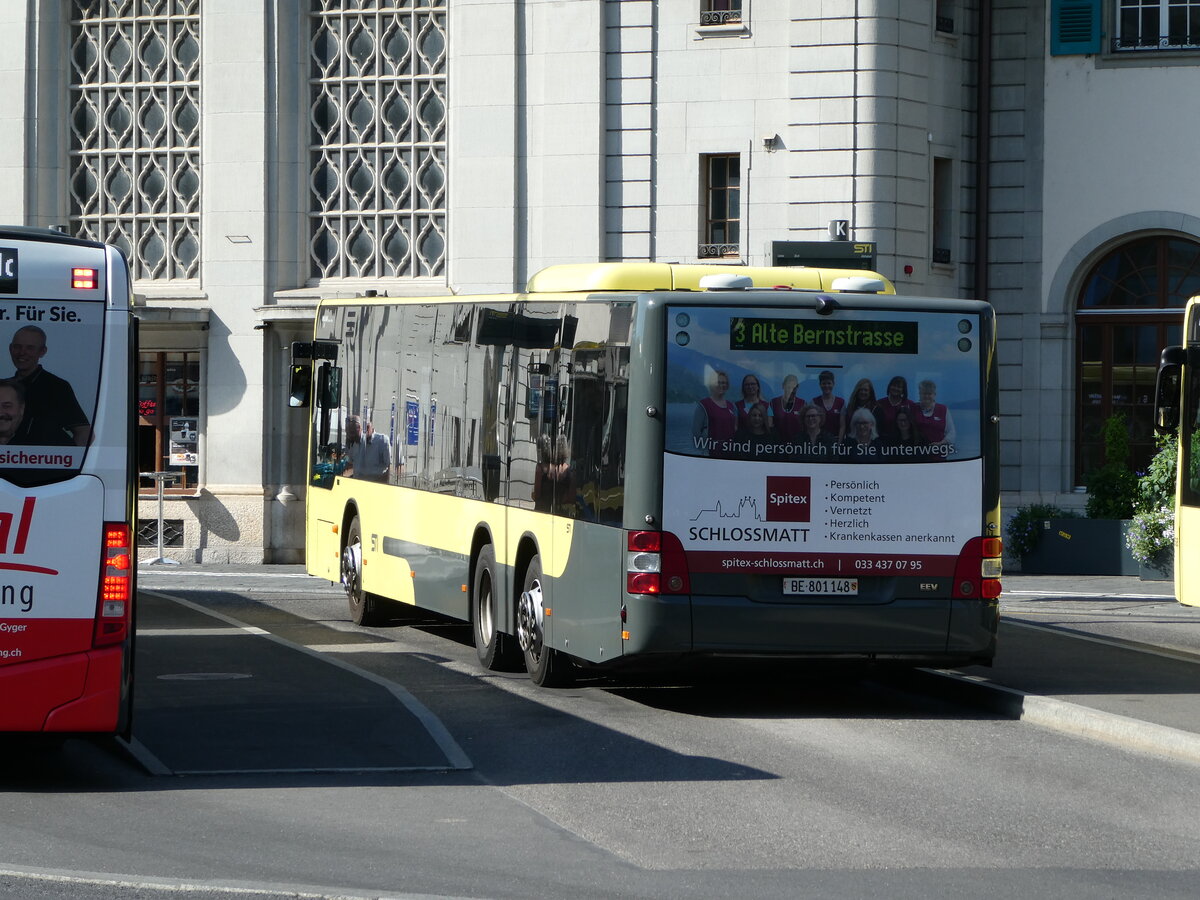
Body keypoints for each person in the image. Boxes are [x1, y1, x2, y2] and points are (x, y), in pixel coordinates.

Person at [8, 325, 91, 446]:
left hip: (43, 462)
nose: (22, 352)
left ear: (42, 351)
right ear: (10, 348)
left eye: (30, 348)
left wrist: (70, 461)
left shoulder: (57, 387)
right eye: (17, 347)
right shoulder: (4, 387)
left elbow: (84, 433)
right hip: (8, 461)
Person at [691, 369, 738, 455]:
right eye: (718, 382)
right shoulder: (704, 405)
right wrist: (704, 450)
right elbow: (696, 433)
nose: (721, 385)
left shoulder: (732, 406)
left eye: (724, 383)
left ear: (727, 386)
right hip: (710, 453)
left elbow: (735, 430)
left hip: (730, 453)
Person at [533, 434, 574, 513]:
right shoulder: (569, 470)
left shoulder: (540, 468)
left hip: (542, 511)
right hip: (562, 512)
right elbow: (571, 497)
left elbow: (537, 494)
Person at [344, 414, 391, 482]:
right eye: (347, 433)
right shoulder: (352, 444)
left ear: (360, 428)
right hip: (357, 486)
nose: (350, 436)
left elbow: (389, 467)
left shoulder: (382, 441)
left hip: (375, 485)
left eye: (352, 432)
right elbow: (350, 466)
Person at [913, 379, 956, 449]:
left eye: (929, 394)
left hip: (938, 454)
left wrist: (941, 443)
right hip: (917, 454)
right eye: (924, 393)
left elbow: (951, 432)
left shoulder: (943, 409)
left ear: (934, 394)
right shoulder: (913, 408)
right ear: (919, 394)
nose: (926, 396)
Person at [874, 375, 916, 441]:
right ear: (889, 386)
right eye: (893, 385)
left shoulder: (910, 404)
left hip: (904, 443)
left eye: (899, 387)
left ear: (903, 390)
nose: (896, 388)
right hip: (882, 441)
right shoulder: (879, 404)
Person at [811, 370, 845, 438]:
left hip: (835, 441)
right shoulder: (814, 402)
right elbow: (812, 425)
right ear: (820, 384)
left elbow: (842, 426)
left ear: (833, 384)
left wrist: (838, 445)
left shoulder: (841, 402)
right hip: (820, 442)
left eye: (829, 383)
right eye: (824, 383)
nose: (826, 386)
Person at [769, 374, 804, 440]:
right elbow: (769, 426)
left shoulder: (803, 404)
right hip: (777, 443)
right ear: (783, 386)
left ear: (797, 387)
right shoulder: (773, 403)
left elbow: (805, 427)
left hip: (797, 444)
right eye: (789, 387)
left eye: (794, 387)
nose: (791, 390)